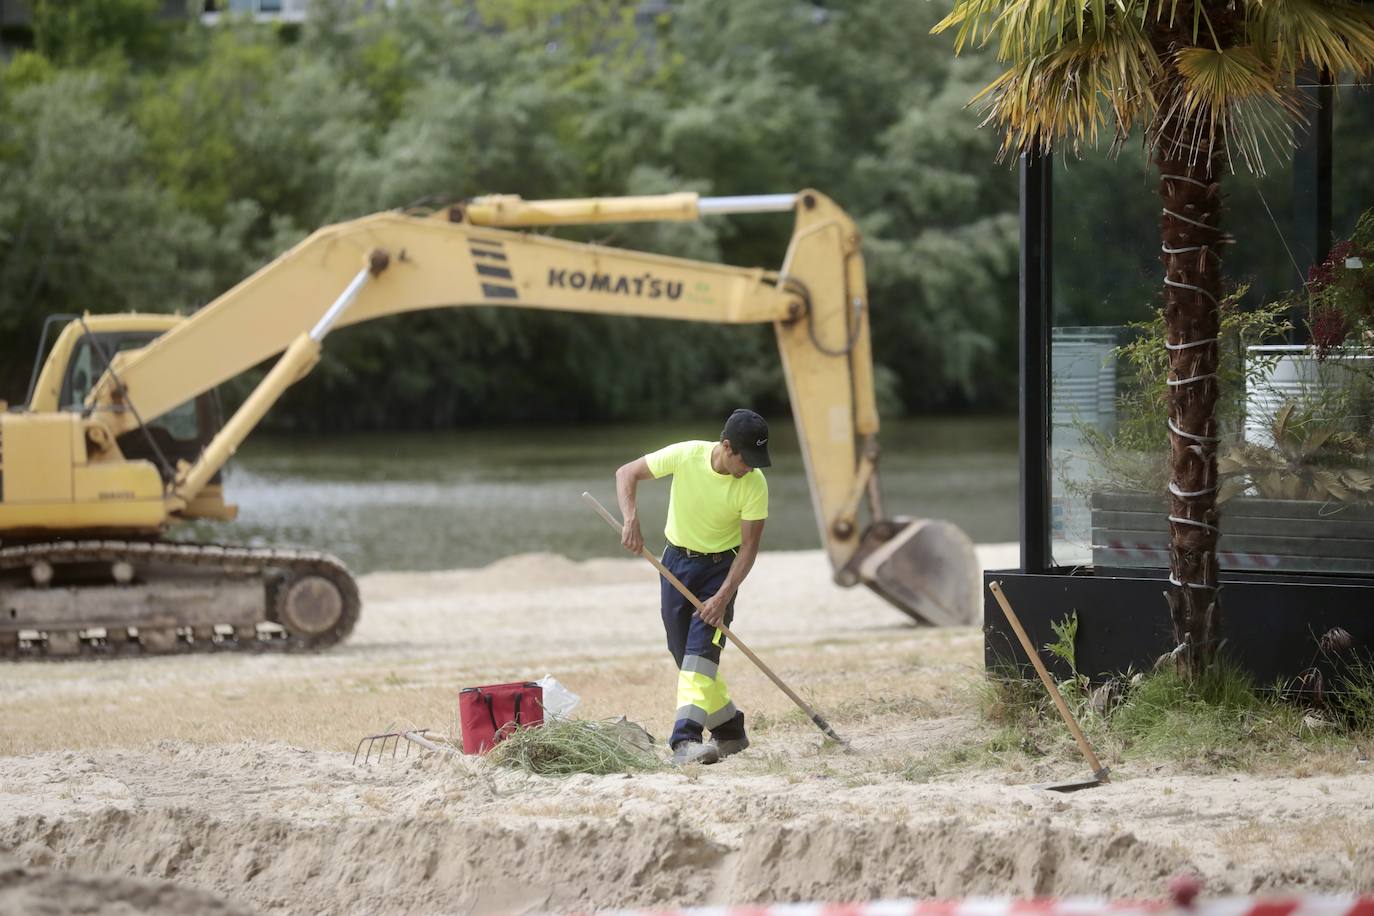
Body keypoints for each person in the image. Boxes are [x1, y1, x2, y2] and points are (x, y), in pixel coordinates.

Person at [615, 408, 771, 766]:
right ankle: (730, 729)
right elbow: (627, 473)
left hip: (721, 571)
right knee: (683, 655)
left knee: (700, 656)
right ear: (727, 447)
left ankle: (685, 740)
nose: (751, 467)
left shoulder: (754, 484)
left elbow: (749, 548)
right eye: (747, 459)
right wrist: (631, 519)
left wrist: (722, 596)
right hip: (675, 565)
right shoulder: (687, 455)